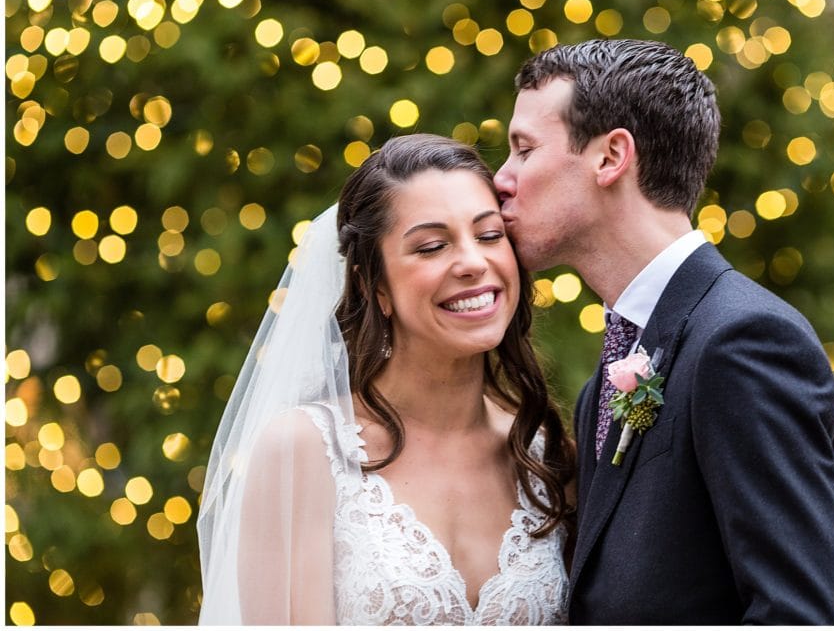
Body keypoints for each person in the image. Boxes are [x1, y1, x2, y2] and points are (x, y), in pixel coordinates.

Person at [494, 39, 834, 624]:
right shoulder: (607, 380)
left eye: (523, 150)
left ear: (611, 157)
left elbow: (803, 614)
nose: (501, 179)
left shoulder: (744, 343)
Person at [197, 134, 575, 625]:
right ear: (374, 287)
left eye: (488, 235)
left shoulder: (546, 458)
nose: (472, 263)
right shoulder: (305, 450)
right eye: (432, 246)